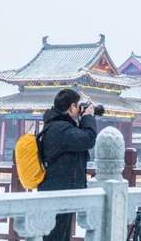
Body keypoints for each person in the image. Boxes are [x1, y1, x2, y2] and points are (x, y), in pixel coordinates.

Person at [38, 89, 97, 241]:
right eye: (77, 106)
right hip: (58, 192)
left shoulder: (58, 126)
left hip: (59, 189)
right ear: (71, 107)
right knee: (55, 236)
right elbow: (88, 139)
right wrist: (88, 118)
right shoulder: (61, 129)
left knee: (59, 235)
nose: (79, 109)